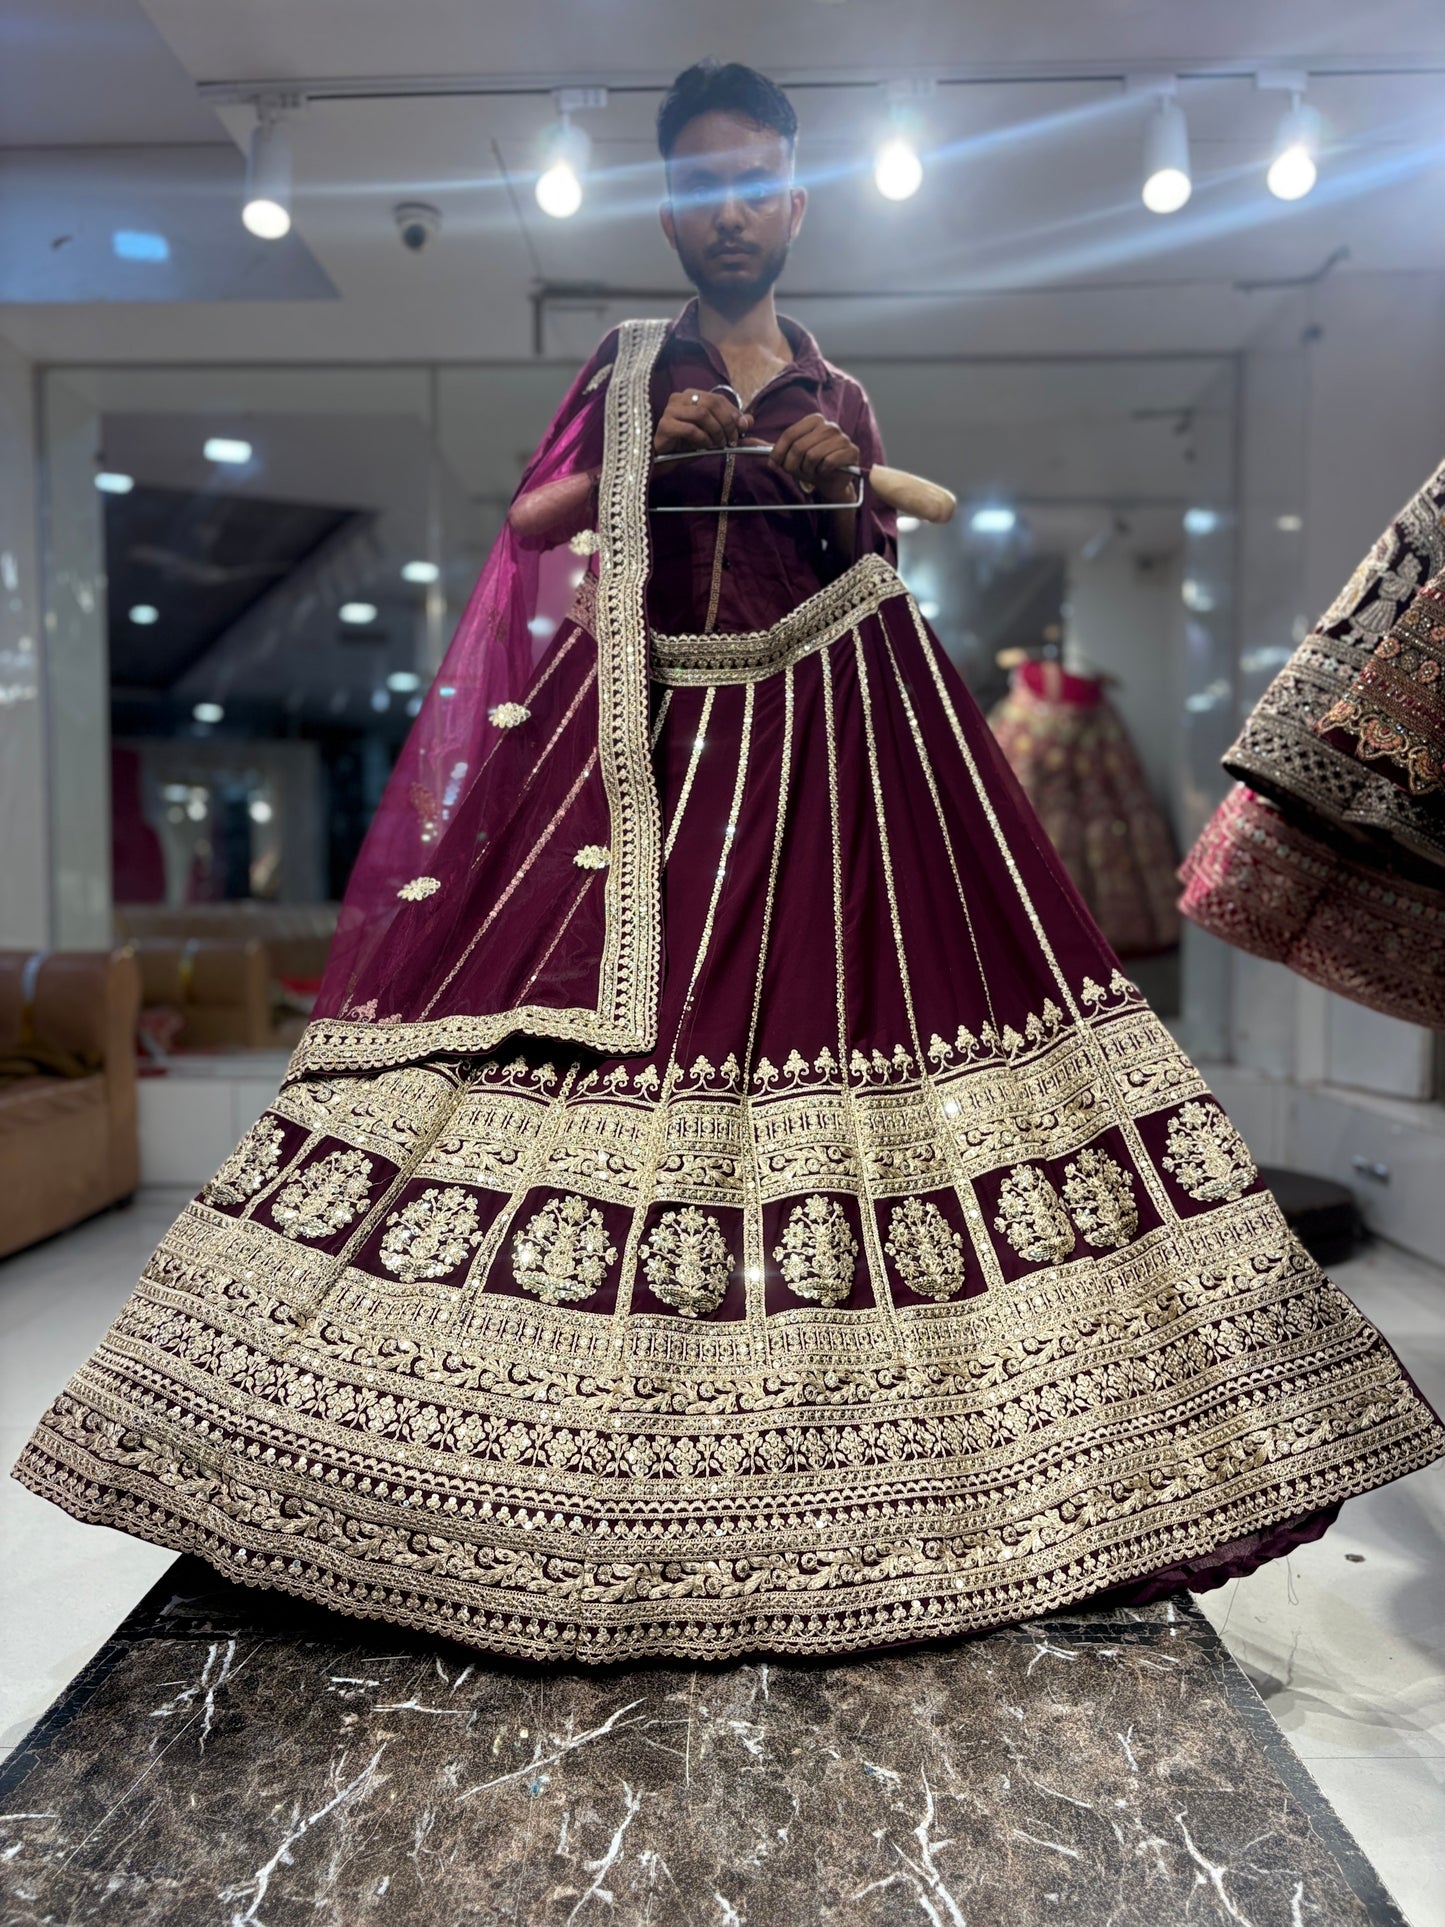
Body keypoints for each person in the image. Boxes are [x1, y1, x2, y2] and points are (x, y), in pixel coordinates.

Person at [16, 62, 1441, 1665]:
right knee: (572, 1053)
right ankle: (507, 1433)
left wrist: (839, 492)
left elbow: (870, 550)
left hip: (831, 744)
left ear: (796, 195)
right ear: (672, 209)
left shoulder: (842, 385)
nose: (732, 212)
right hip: (651, 748)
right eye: (701, 189)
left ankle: (887, 1436)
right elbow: (536, 518)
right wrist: (655, 450)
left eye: (755, 181)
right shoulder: (630, 361)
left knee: (845, 1040)